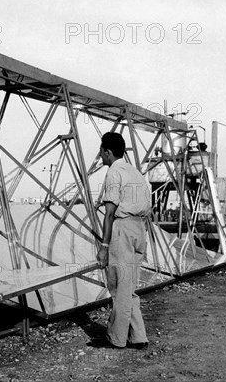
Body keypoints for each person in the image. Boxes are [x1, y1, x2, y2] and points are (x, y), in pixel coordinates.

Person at [90, 132, 150, 350]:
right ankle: (138, 336)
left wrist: (104, 247)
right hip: (139, 229)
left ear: (107, 151)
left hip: (123, 229)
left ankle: (115, 338)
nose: (100, 156)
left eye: (101, 151)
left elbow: (109, 214)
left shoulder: (114, 172)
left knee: (117, 285)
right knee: (129, 285)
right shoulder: (135, 172)